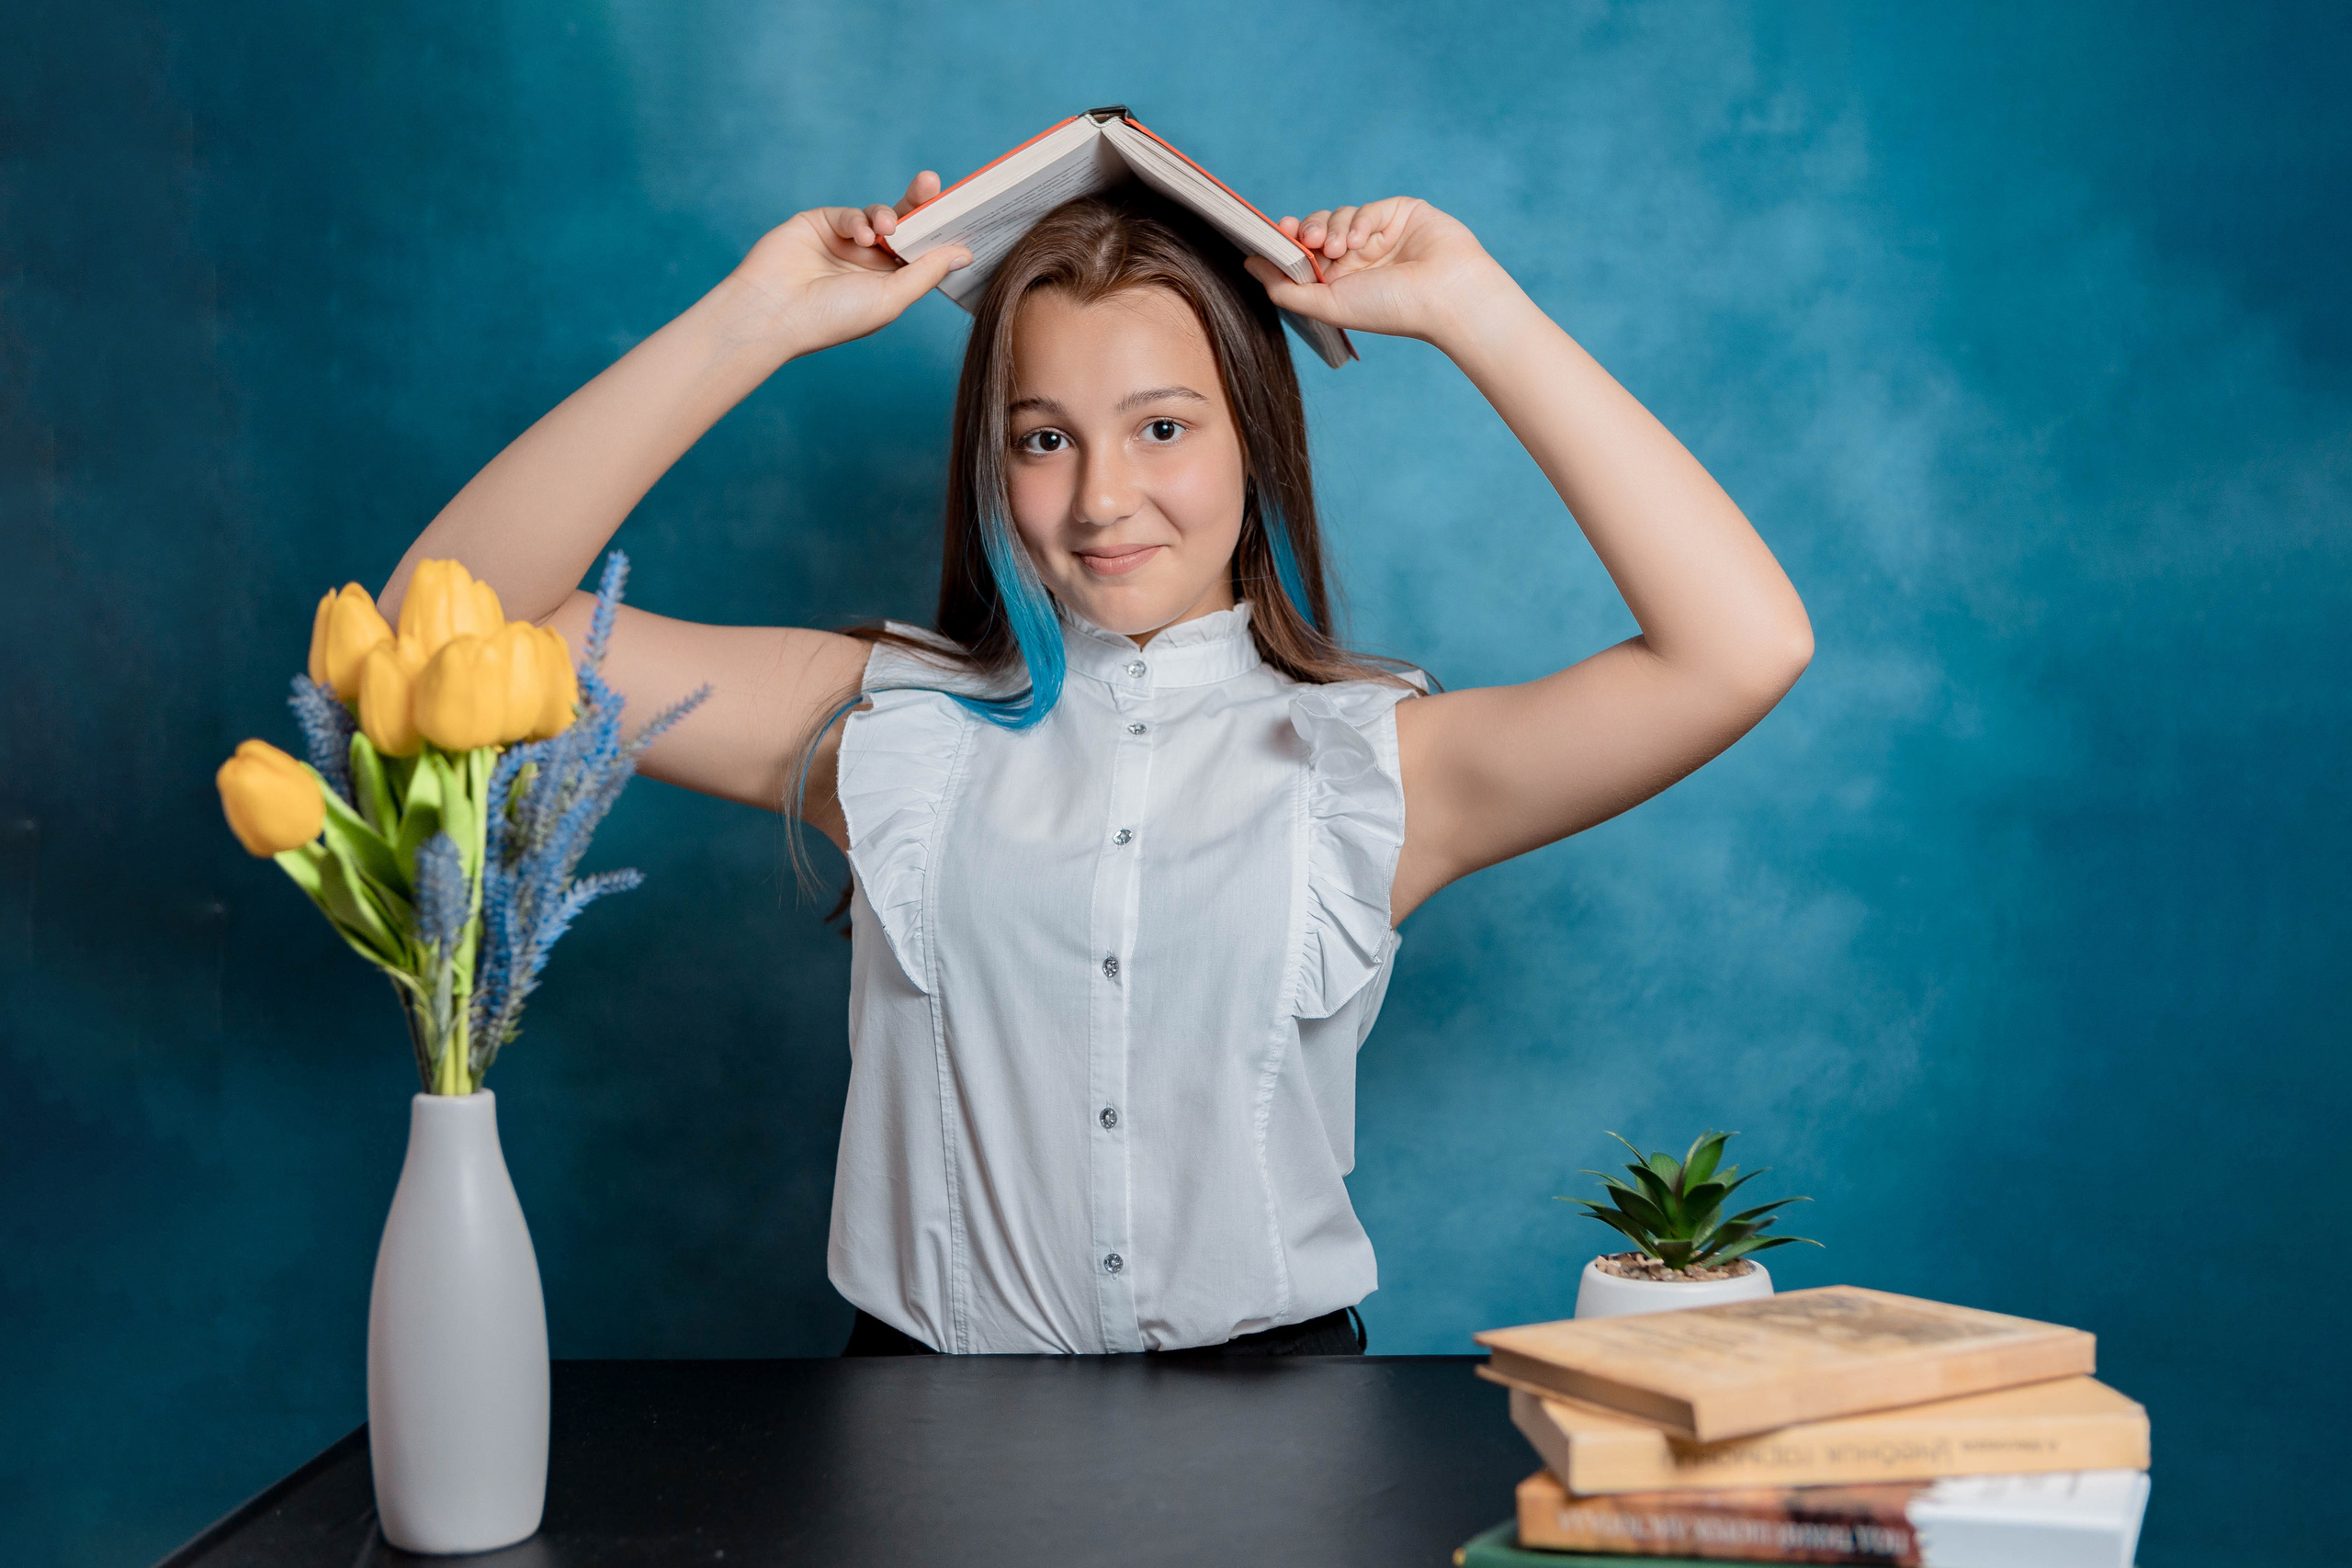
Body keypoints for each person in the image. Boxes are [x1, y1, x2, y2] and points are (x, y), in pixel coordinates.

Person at [379, 168, 1814, 1358]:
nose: (1102, 499)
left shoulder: (1376, 764)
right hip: (921, 1434)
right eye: (1044, 438)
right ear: (992, 466)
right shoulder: (882, 730)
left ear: (1255, 438)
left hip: (1289, 1436)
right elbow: (436, 627)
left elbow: (1740, 648)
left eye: (1165, 428)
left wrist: (1472, 309)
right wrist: (750, 322)